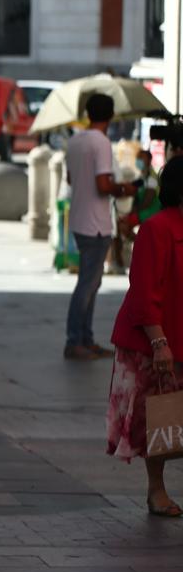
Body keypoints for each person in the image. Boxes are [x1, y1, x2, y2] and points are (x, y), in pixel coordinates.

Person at [106, 156, 183, 517]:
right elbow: (144, 292)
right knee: (161, 418)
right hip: (156, 340)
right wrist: (159, 342)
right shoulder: (158, 228)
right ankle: (156, 490)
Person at [65, 94, 138, 361]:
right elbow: (103, 185)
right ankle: (75, 340)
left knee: (91, 283)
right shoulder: (102, 143)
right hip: (96, 223)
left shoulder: (75, 140)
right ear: (110, 117)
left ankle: (85, 338)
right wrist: (125, 189)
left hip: (79, 220)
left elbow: (71, 178)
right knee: (87, 284)